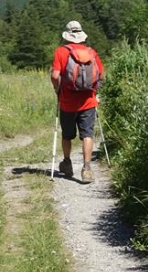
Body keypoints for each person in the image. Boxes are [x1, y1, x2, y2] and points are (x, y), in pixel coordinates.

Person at [50, 20, 104, 183]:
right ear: (81, 35)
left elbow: (54, 75)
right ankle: (86, 169)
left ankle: (67, 164)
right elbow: (101, 75)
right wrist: (95, 90)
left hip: (67, 101)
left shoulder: (61, 51)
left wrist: (57, 89)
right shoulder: (91, 52)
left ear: (67, 36)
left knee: (67, 135)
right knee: (87, 134)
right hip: (88, 101)